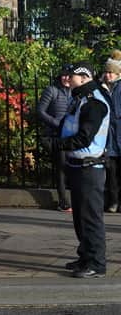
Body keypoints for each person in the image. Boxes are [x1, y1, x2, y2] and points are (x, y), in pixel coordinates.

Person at [56, 62, 109, 278]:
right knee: (80, 216)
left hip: (90, 166)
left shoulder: (94, 102)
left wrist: (58, 145)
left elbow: (85, 136)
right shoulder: (79, 98)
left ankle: (97, 263)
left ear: (84, 77)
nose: (67, 79)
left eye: (72, 76)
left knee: (90, 218)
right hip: (77, 165)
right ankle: (85, 256)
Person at [37, 64, 72, 211]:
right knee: (62, 167)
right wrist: (56, 123)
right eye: (63, 75)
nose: (66, 78)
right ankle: (63, 201)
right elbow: (40, 111)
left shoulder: (75, 92)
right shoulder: (52, 90)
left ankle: (71, 199)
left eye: (69, 75)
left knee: (71, 168)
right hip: (55, 135)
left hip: (71, 135)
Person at [101, 50, 121, 213]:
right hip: (108, 138)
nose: (108, 75)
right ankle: (113, 201)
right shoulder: (101, 88)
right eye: (106, 72)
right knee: (111, 173)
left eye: (111, 72)